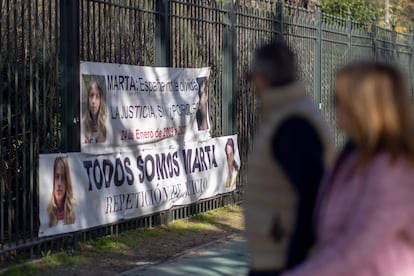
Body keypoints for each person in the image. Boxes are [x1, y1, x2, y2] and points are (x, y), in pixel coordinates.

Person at [284, 61, 414, 276]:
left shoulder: (394, 169)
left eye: (338, 99)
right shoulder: (351, 158)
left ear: (363, 106)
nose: (333, 105)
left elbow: (357, 247)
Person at [244, 41, 334, 275]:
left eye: (252, 77)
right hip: (277, 253)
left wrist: (296, 261)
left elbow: (313, 193)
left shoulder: (292, 123)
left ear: (261, 77)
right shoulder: (288, 114)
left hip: (282, 258)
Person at [47, 157, 76, 227]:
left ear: (67, 181)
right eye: (57, 177)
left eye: (63, 178)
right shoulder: (47, 212)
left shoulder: (74, 211)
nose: (59, 183)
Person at [82, 77, 107, 143]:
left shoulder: (106, 124)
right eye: (91, 96)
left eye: (97, 97)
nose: (93, 101)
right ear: (88, 99)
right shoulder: (83, 124)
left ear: (101, 100)